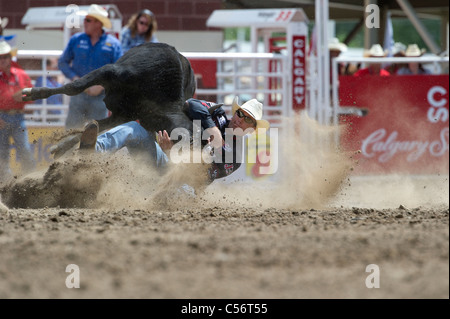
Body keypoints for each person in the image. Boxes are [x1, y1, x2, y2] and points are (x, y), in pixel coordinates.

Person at [78, 97, 270, 183]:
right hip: (162, 157)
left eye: (247, 119)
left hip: (175, 180)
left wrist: (172, 154)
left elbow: (199, 180)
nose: (239, 119)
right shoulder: (217, 114)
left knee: (181, 191)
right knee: (133, 128)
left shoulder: (234, 158)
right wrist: (212, 128)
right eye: (239, 113)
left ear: (252, 129)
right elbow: (191, 104)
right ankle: (92, 152)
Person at [58, 4, 123, 130]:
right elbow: (62, 62)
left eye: (88, 20)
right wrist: (74, 78)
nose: (84, 23)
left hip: (101, 97)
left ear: (98, 23)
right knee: (72, 130)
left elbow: (119, 70)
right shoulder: (76, 39)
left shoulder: (113, 44)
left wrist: (102, 85)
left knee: (97, 133)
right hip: (79, 94)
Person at [0, 41, 36, 184]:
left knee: (25, 151)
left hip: (18, 116)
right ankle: (5, 184)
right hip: (1, 117)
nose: (3, 60)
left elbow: (32, 96)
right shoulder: (19, 74)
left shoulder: (21, 75)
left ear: (10, 58)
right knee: (2, 155)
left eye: (5, 57)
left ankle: (31, 180)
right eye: (0, 58)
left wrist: (23, 96)